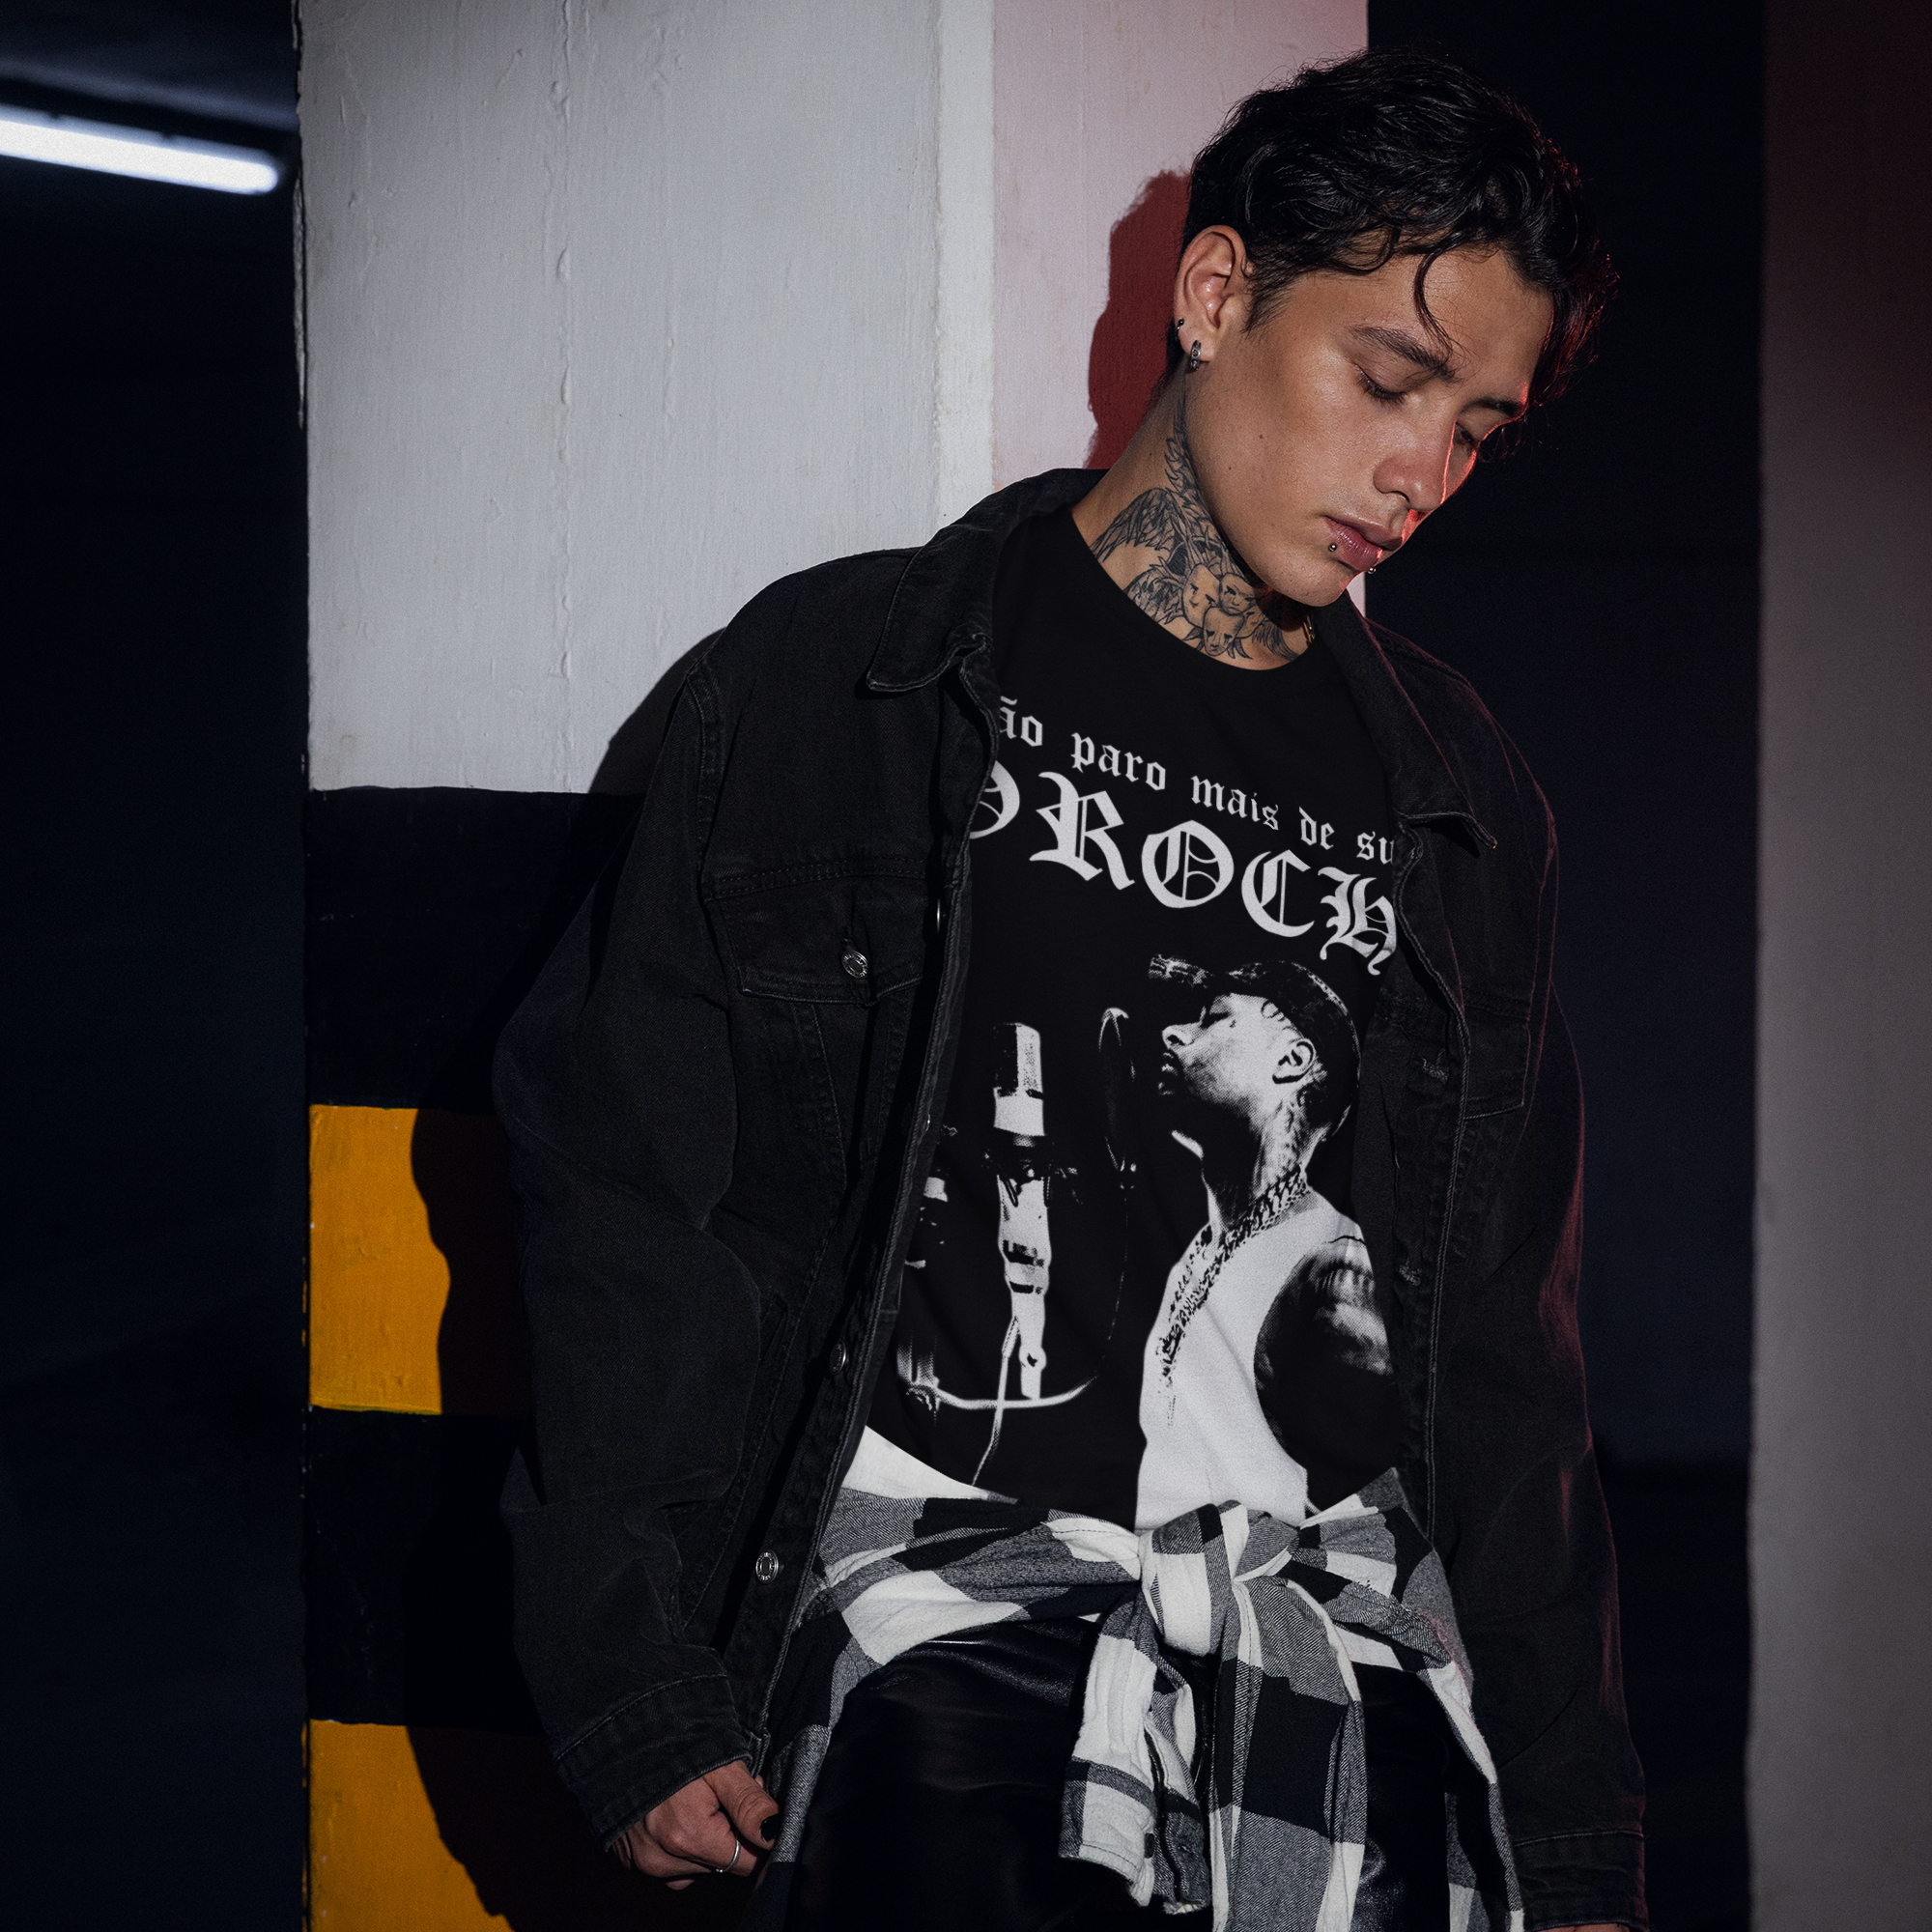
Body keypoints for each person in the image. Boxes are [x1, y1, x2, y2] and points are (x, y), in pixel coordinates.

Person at [495, 45, 1640, 1932]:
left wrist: (1572, 1827)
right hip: (930, 1601)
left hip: (1329, 1619)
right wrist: (627, 1675)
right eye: (1387, 379)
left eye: (1476, 431)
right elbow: (632, 1195)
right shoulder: (846, 684)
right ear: (1216, 292)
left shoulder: (1457, 801)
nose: (1419, 474)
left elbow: (1505, 1346)